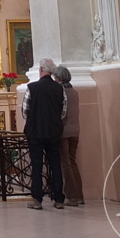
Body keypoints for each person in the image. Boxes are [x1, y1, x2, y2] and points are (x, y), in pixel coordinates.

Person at [22, 58, 67, 210]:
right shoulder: (59, 89)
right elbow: (63, 111)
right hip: (54, 131)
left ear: (41, 70)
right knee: (55, 163)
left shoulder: (32, 87)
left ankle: (37, 199)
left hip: (35, 132)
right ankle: (59, 198)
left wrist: (33, 121)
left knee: (37, 164)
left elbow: (25, 111)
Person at [54, 65, 84, 206]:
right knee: (72, 162)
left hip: (63, 132)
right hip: (75, 130)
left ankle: (71, 196)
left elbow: (60, 113)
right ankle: (79, 195)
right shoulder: (74, 91)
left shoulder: (60, 91)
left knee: (65, 163)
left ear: (58, 77)